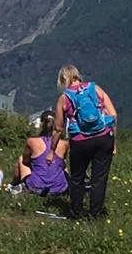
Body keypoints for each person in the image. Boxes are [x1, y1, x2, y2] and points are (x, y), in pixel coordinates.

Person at [48, 65, 117, 219]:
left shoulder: (64, 98)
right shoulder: (95, 88)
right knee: (99, 179)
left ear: (62, 80)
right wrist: (114, 143)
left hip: (80, 142)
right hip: (104, 138)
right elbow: (113, 115)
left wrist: (52, 150)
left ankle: (76, 212)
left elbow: (58, 128)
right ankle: (95, 214)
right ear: (77, 76)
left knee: (77, 178)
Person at [10, 109, 69, 196]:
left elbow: (25, 161)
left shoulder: (32, 141)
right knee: (61, 164)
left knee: (21, 159)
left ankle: (14, 184)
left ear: (42, 124)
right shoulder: (64, 144)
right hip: (59, 189)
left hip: (36, 186)